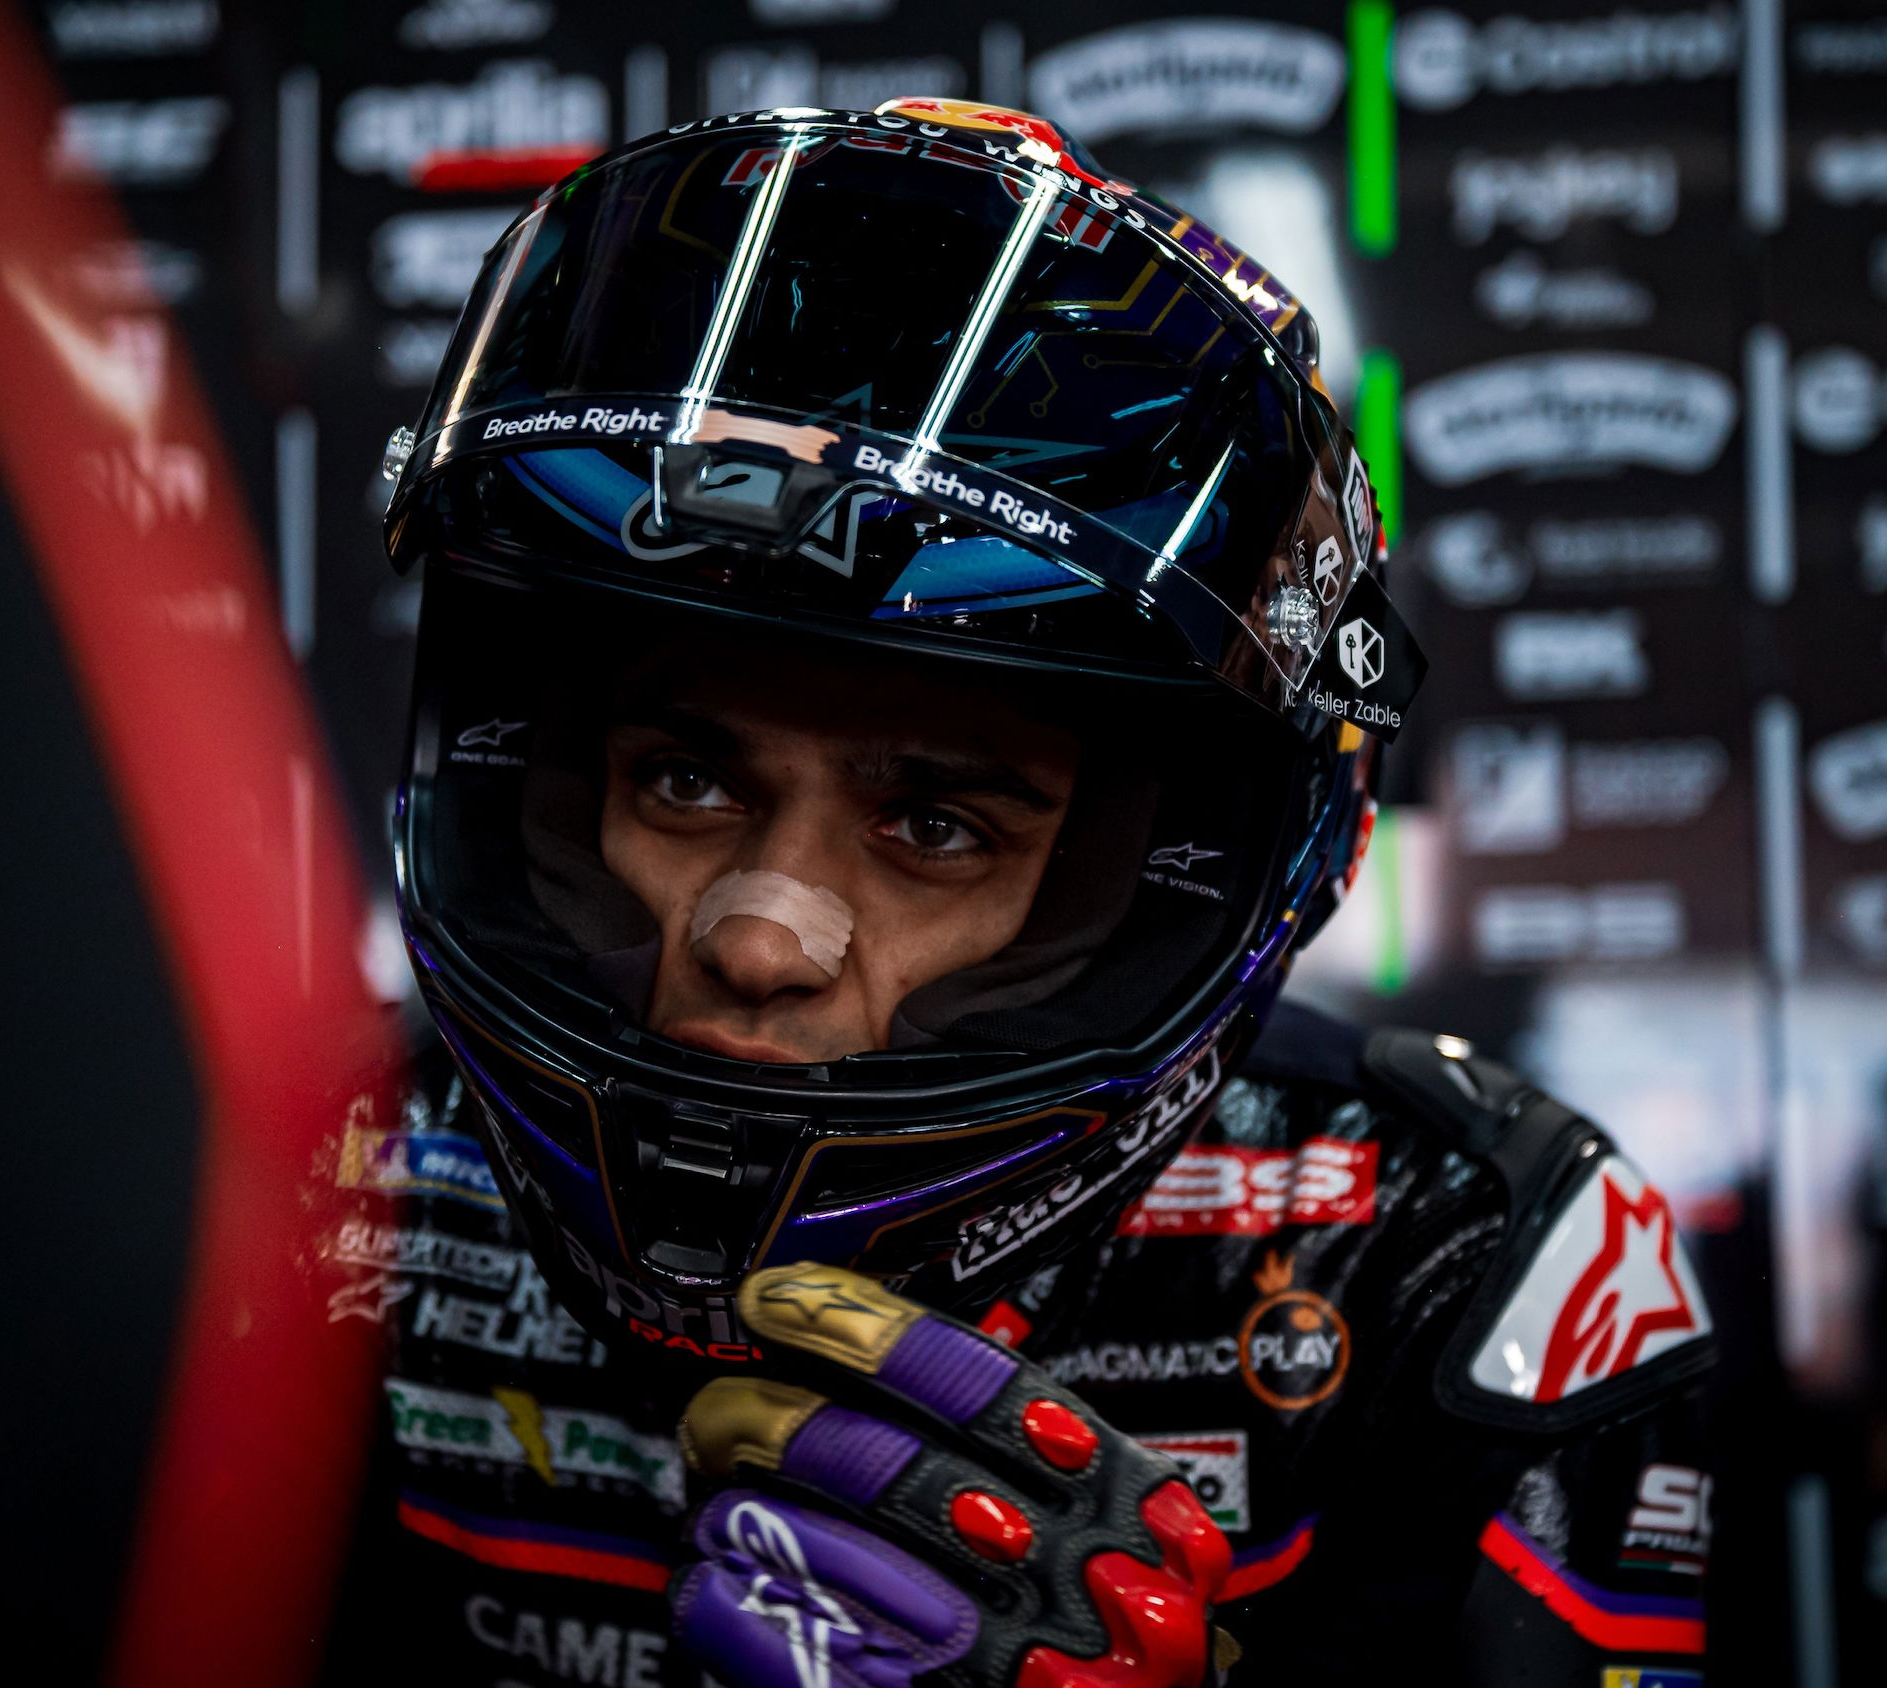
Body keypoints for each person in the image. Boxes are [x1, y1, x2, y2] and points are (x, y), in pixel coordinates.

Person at [325, 99, 1718, 1687]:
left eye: (934, 823)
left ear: (1170, 882)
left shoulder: (1451, 1256)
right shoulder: (312, 1193)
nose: (765, 933)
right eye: (684, 784)